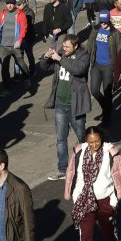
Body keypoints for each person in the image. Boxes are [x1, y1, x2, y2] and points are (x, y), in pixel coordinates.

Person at [41, 35, 91, 181]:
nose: (64, 49)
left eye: (67, 47)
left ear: (75, 46)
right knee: (61, 138)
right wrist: (46, 57)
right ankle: (62, 169)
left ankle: (87, 164)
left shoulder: (83, 56)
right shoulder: (61, 54)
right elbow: (45, 67)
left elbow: (78, 70)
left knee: (82, 136)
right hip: (60, 104)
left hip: (76, 104)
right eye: (63, 46)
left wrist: (60, 58)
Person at [89, 11, 121, 126]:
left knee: (107, 92)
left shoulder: (115, 33)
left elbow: (119, 51)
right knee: (94, 90)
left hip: (108, 65)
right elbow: (90, 46)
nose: (103, 24)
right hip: (96, 65)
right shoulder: (95, 29)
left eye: (105, 22)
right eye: (101, 21)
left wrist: (118, 70)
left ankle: (107, 116)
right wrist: (88, 61)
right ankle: (106, 109)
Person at [0, 1, 33, 92]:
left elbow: (24, 29)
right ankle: (7, 87)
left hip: (16, 45)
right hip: (4, 45)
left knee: (21, 63)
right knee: (4, 68)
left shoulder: (20, 14)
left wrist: (19, 40)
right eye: (8, 3)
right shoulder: (3, 13)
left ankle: (27, 78)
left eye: (11, 3)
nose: (9, 5)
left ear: (14, 4)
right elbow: (0, 27)